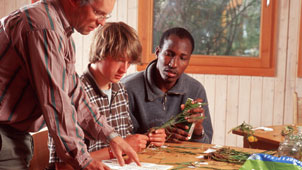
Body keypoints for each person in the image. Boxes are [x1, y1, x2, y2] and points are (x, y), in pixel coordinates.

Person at [0, 0, 140, 170]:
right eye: (98, 13)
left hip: (15, 136)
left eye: (106, 15)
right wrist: (83, 160)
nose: (102, 22)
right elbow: (56, 101)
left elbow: (75, 95)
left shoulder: (60, 32)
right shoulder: (44, 27)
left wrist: (112, 137)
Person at [47, 22, 166, 169]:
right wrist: (115, 149)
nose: (124, 69)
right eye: (119, 60)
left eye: (129, 62)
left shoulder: (120, 89)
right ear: (100, 52)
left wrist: (147, 139)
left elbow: (124, 141)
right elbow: (63, 166)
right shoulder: (72, 92)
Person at [122, 27, 213, 144]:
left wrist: (198, 130)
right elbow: (120, 142)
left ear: (188, 60)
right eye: (169, 54)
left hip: (181, 161)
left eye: (182, 58)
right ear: (158, 52)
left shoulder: (195, 89)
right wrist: (154, 137)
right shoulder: (127, 88)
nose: (173, 64)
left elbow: (206, 145)